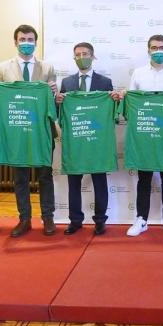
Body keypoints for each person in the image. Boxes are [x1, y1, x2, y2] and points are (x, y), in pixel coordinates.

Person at [118, 34, 163, 237]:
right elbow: (131, 103)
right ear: (148, 50)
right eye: (154, 47)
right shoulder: (138, 74)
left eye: (162, 47)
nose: (158, 50)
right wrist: (124, 95)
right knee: (144, 178)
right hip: (145, 133)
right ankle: (142, 219)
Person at [0, 24, 58, 237]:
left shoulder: (47, 68)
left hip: (42, 131)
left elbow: (53, 102)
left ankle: (48, 218)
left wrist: (55, 94)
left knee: (45, 176)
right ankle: (24, 219)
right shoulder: (2, 68)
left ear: (36, 42)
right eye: (22, 39)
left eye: (30, 39)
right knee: (20, 177)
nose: (26, 43)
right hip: (16, 131)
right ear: (15, 42)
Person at [56, 42, 114, 235]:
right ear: (74, 58)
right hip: (75, 139)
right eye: (78, 54)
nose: (82, 57)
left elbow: (111, 113)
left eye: (85, 53)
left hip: (97, 140)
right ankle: (75, 220)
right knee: (74, 181)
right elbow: (61, 114)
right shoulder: (67, 83)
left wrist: (115, 99)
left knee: (99, 179)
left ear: (93, 56)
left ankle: (100, 221)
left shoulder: (105, 82)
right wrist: (58, 102)